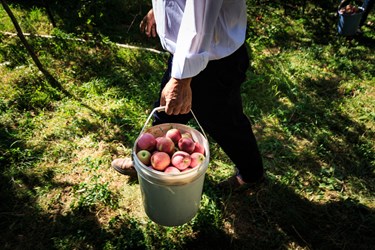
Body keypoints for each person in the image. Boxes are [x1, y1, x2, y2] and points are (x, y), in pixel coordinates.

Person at [112, 0, 265, 191]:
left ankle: (252, 174)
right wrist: (161, 11)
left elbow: (200, 17)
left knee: (224, 121)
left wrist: (181, 80)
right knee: (167, 111)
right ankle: (148, 161)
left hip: (213, 59)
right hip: (184, 53)